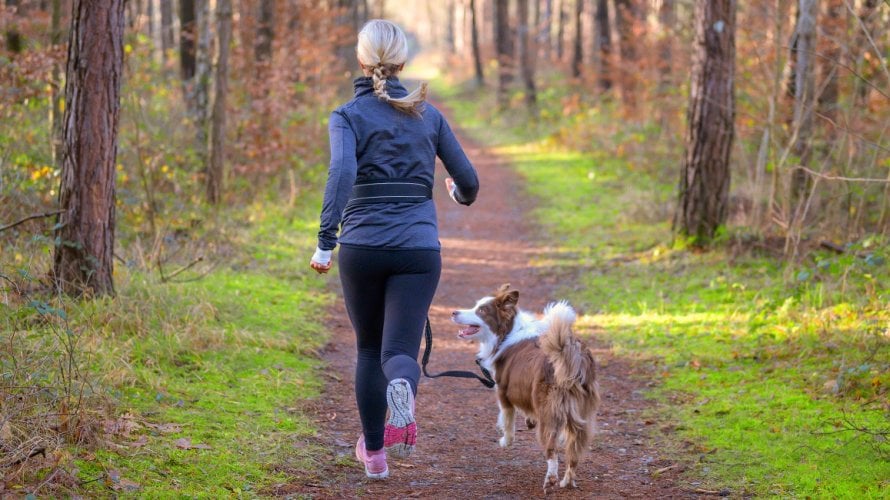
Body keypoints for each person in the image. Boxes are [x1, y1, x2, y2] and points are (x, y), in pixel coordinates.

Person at [309, 19, 479, 480]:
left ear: (362, 61)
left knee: (367, 350)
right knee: (397, 350)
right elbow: (469, 182)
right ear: (401, 61)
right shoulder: (429, 114)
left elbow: (341, 174)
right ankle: (403, 384)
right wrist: (458, 196)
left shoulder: (346, 115)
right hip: (418, 250)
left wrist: (326, 241)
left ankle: (376, 457)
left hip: (362, 246)